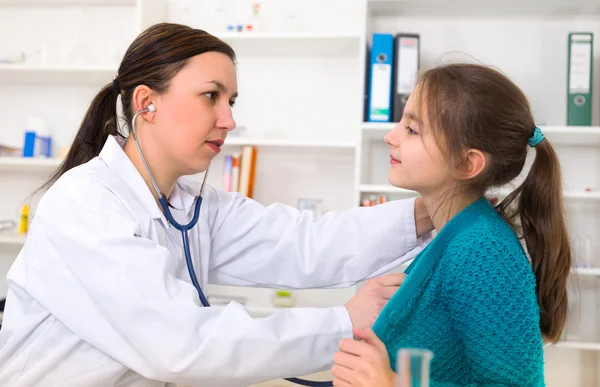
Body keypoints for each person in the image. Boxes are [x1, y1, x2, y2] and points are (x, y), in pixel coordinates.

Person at [0, 23, 433, 387]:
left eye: (232, 101)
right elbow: (178, 343)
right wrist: (344, 321)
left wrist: (427, 211)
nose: (228, 119)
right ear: (146, 103)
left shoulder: (193, 207)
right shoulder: (85, 204)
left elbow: (304, 241)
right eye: (211, 96)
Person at [331, 63, 572, 386]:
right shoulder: (458, 236)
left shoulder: (484, 251)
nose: (390, 136)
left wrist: (390, 383)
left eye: (412, 130)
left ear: (467, 163)